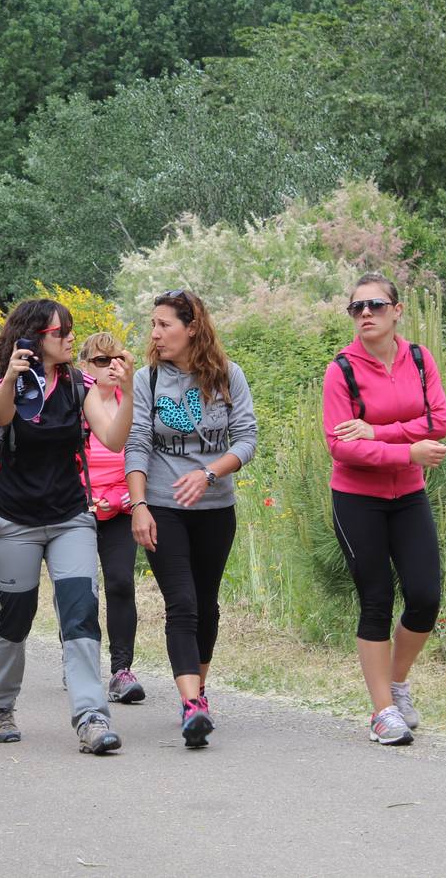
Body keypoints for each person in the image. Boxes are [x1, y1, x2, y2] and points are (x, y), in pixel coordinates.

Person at [0, 299, 135, 755]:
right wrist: (11, 374)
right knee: (17, 614)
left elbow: (113, 437)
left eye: (70, 330)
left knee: (80, 613)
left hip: (70, 517)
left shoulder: (78, 384)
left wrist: (126, 396)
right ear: (33, 337)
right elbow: (1, 415)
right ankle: (0, 702)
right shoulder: (11, 380)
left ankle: (91, 717)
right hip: (13, 519)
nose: (70, 337)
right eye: (59, 331)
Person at [322, 274, 446, 746]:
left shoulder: (419, 358)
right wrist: (408, 450)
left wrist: (377, 433)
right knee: (375, 601)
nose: (366, 314)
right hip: (357, 499)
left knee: (424, 597)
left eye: (375, 305)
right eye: (356, 308)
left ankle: (396, 685)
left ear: (397, 310)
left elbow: (438, 421)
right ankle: (382, 712)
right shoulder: (342, 370)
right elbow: (340, 446)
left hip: (408, 496)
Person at [126, 289, 257, 749]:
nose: (155, 334)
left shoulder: (227, 377)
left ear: (192, 327)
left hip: (216, 508)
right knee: (181, 603)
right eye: (154, 325)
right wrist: (139, 504)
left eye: (165, 324)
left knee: (206, 603)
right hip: (163, 506)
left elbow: (246, 441)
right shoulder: (147, 379)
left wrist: (209, 472)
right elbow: (137, 441)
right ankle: (190, 705)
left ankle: (198, 692)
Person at [77, 332, 144, 705]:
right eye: (101, 361)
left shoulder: (133, 400)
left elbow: (143, 452)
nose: (111, 367)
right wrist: (85, 499)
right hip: (79, 509)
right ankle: (80, 662)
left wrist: (124, 499)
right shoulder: (75, 401)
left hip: (120, 506)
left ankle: (122, 670)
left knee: (120, 583)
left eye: (117, 358)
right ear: (85, 366)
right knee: (80, 594)